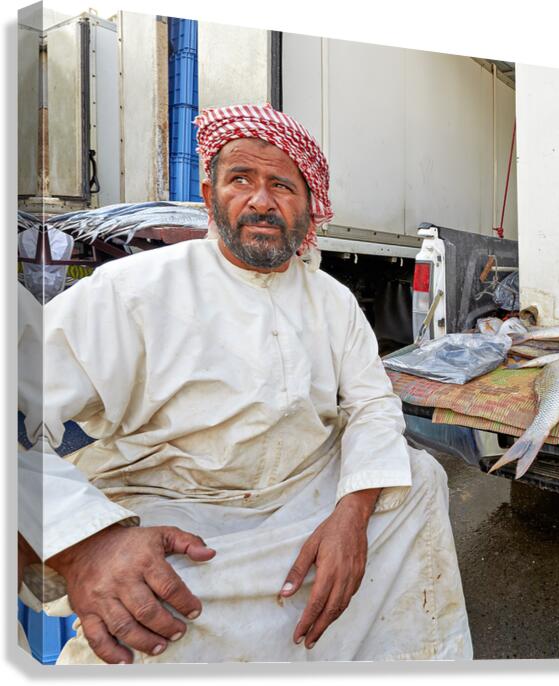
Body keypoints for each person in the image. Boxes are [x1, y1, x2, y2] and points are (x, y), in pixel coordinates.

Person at [17, 103, 473, 663]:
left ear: (309, 209)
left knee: (421, 480)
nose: (261, 200)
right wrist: (86, 547)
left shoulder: (332, 301)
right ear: (211, 199)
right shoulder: (131, 290)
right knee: (150, 602)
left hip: (304, 498)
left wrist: (350, 518)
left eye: (282, 185)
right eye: (240, 180)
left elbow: (373, 404)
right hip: (179, 510)